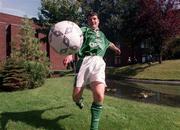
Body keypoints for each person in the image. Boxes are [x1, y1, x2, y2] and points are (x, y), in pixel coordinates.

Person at [63, 11, 121, 130]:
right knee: (75, 96)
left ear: (98, 20)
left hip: (99, 62)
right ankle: (79, 101)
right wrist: (70, 54)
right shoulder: (83, 30)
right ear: (88, 22)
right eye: (90, 19)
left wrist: (116, 49)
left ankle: (94, 128)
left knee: (99, 95)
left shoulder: (102, 35)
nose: (92, 21)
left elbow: (109, 43)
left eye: (94, 19)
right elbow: (74, 40)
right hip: (84, 62)